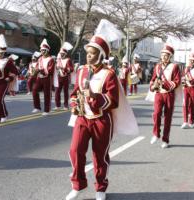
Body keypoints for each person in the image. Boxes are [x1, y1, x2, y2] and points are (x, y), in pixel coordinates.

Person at [66, 19, 138, 200]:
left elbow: (112, 102)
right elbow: (74, 94)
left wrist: (93, 96)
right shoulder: (82, 71)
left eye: (92, 53)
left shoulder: (109, 74)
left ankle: (100, 188)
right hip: (83, 118)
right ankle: (78, 185)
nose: (88, 56)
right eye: (87, 53)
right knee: (75, 150)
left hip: (101, 120)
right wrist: (74, 104)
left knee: (100, 156)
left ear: (101, 55)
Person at [149, 45, 180, 148]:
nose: (164, 57)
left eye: (166, 55)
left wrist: (164, 84)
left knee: (168, 117)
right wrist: (153, 86)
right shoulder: (157, 67)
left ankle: (165, 139)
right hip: (159, 94)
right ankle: (156, 133)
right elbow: (153, 79)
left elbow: (177, 82)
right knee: (156, 113)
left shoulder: (174, 67)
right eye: (162, 55)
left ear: (170, 56)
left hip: (169, 94)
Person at [0, 34, 18, 123]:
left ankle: (4, 115)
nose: (0, 55)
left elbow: (15, 72)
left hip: (2, 82)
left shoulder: (7, 61)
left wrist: (9, 78)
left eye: (2, 53)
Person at [31, 39, 55, 115]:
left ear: (47, 51)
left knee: (47, 94)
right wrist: (33, 72)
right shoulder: (40, 59)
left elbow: (50, 71)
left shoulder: (51, 59)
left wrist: (40, 70)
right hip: (40, 78)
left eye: (44, 50)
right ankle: (37, 107)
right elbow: (37, 67)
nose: (42, 52)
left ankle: (47, 110)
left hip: (47, 78)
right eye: (41, 50)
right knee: (34, 90)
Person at [54, 42, 74, 110]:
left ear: (65, 54)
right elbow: (56, 68)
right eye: (61, 54)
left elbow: (71, 69)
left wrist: (64, 69)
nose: (61, 55)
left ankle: (66, 105)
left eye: (62, 54)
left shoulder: (68, 60)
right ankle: (57, 105)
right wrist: (57, 67)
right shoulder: (58, 60)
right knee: (57, 92)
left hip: (65, 77)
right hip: (59, 77)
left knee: (65, 92)